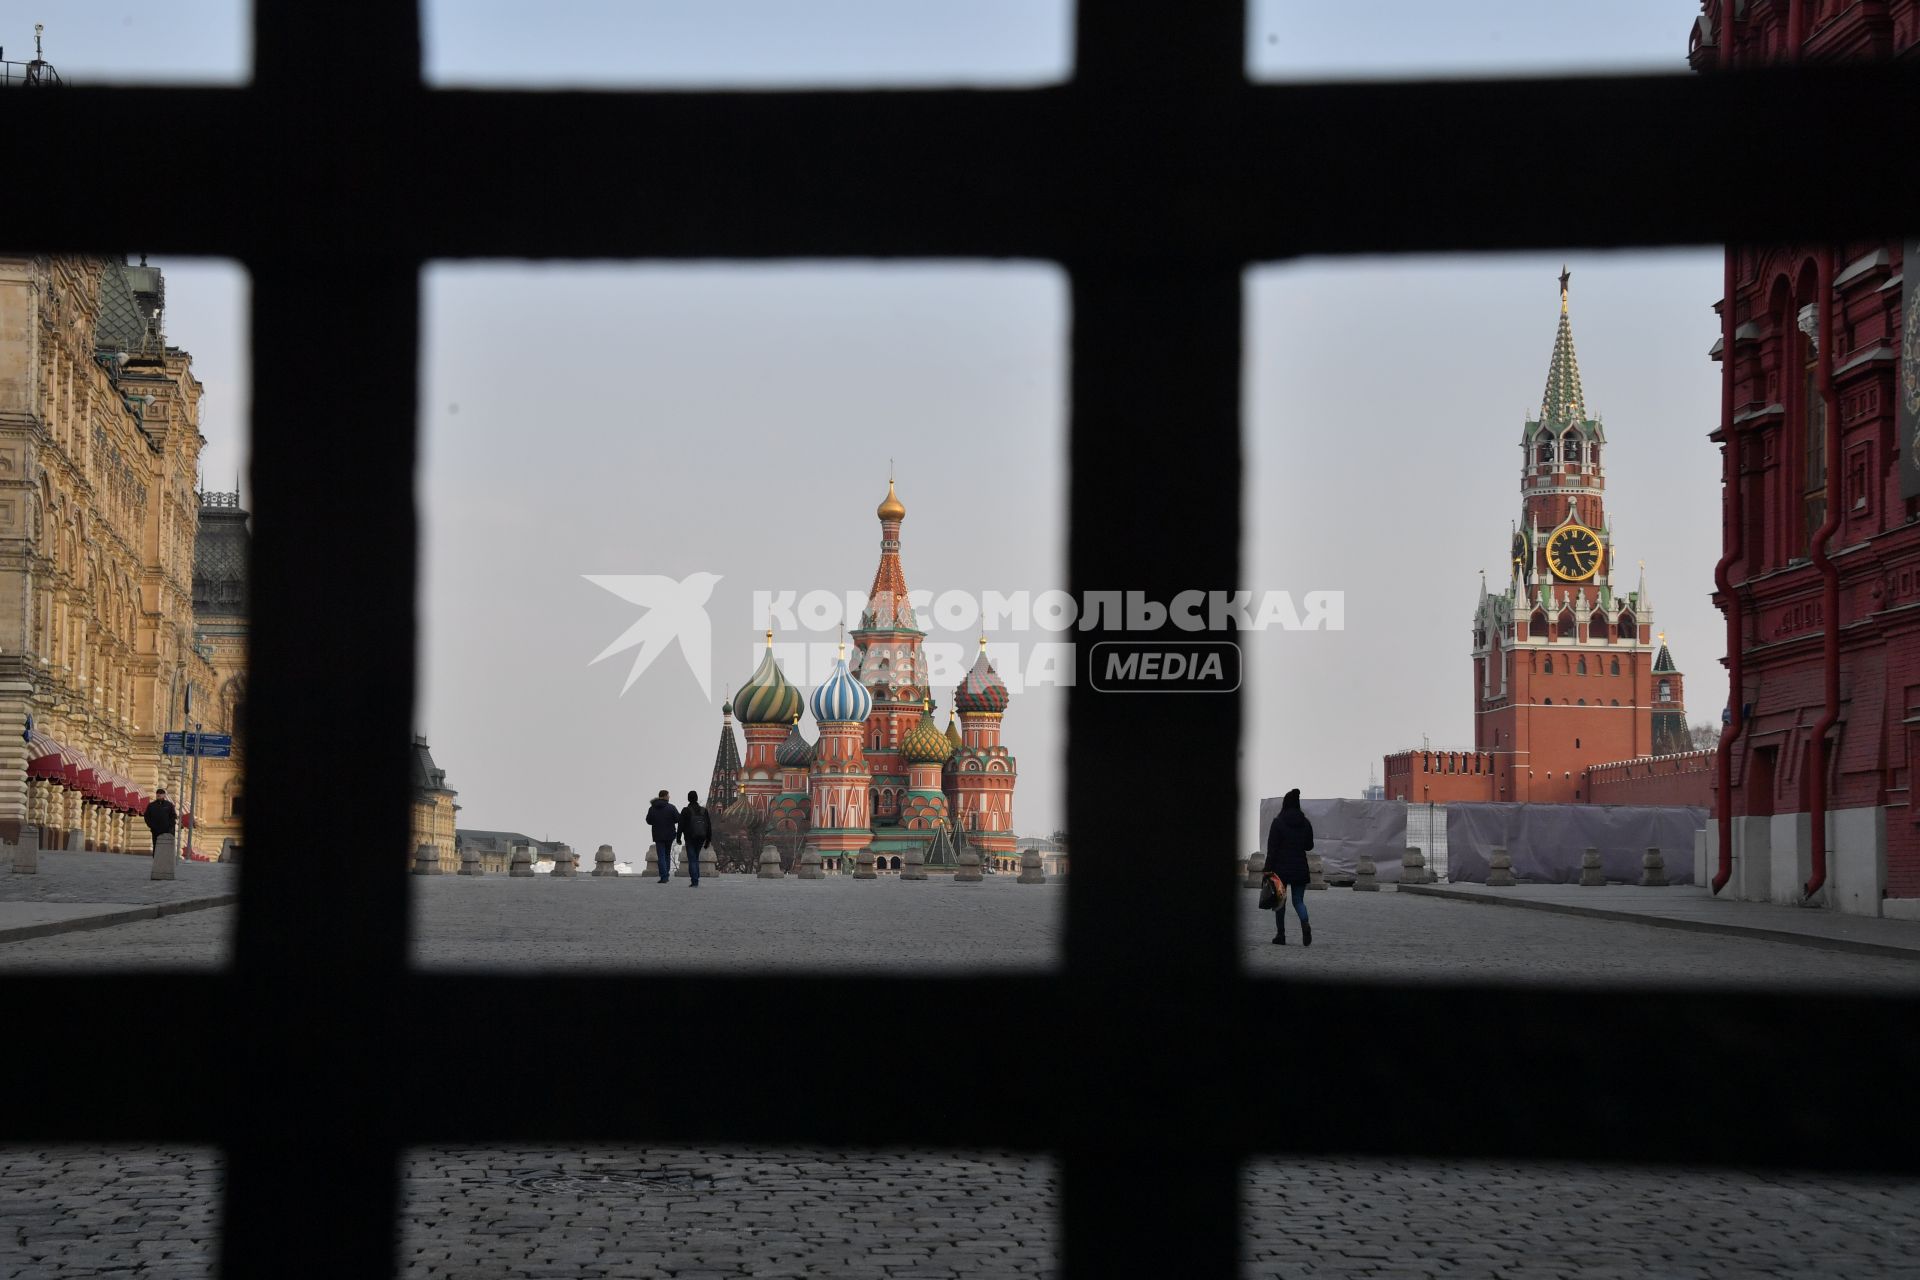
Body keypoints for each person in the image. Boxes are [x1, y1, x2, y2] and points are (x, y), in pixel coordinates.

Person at [1263, 789, 1313, 946]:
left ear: (1285, 803)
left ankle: (1281, 935)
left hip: (1280, 870)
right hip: (1300, 867)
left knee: (1280, 902)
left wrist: (1267, 869)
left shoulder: (1278, 822)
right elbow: (1309, 846)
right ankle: (1305, 924)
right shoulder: (1305, 823)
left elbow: (1272, 849)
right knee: (1298, 901)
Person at [645, 789, 679, 883]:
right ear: (664, 796)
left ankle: (663, 876)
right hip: (669, 834)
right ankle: (666, 875)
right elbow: (678, 819)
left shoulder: (652, 808)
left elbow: (648, 821)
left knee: (661, 856)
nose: (669, 797)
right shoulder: (671, 807)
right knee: (667, 854)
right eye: (668, 795)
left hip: (658, 834)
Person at [679, 790, 711, 887]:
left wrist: (678, 837)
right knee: (696, 857)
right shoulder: (703, 811)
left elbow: (681, 825)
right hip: (701, 837)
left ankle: (695, 880)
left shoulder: (685, 810)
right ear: (696, 798)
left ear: (688, 799)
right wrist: (708, 840)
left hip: (689, 837)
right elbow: (708, 826)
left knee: (692, 859)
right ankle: (696, 877)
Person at [145, 787, 179, 855]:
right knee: (156, 844)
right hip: (155, 830)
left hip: (166, 830)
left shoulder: (169, 805)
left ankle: (165, 858)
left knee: (165, 845)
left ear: (164, 795)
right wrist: (151, 825)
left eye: (161, 794)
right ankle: (156, 859)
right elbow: (147, 816)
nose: (159, 795)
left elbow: (173, 816)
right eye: (158, 793)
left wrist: (170, 827)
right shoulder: (151, 805)